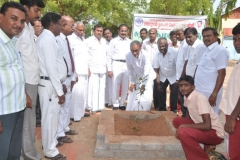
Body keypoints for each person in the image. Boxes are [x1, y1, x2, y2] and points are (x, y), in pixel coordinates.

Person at [15, 1, 45, 159]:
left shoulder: (27, 28)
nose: (38, 14)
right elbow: (16, 59)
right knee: (27, 122)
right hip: (25, 82)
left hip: (32, 80)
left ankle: (28, 153)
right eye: (36, 10)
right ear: (25, 8)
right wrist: (23, 90)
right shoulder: (19, 30)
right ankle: (28, 155)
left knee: (30, 120)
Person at [37, 12, 66, 159]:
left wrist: (61, 83)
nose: (61, 27)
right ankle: (50, 151)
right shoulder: (47, 40)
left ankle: (50, 144)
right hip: (49, 85)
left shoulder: (48, 38)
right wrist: (59, 91)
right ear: (52, 24)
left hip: (52, 83)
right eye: (60, 24)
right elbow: (51, 67)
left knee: (53, 119)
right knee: (49, 120)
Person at [173, 75, 224, 160]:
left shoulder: (199, 98)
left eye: (186, 85)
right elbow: (189, 110)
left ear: (193, 87)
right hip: (203, 127)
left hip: (215, 133)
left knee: (183, 132)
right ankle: (208, 145)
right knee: (176, 121)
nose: (183, 88)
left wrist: (185, 127)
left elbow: (207, 125)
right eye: (181, 85)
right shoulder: (187, 96)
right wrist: (186, 125)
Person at [0, 2, 26, 160]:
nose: (19, 24)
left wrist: (24, 94)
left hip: (17, 107)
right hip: (3, 112)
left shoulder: (11, 43)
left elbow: (14, 72)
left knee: (13, 153)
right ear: (1, 17)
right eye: (14, 19)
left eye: (22, 21)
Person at [195, 27, 229, 116]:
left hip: (210, 92)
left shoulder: (220, 51)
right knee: (201, 117)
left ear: (216, 36)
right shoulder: (206, 50)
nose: (206, 38)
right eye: (204, 36)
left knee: (212, 118)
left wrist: (214, 94)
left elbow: (222, 74)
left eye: (209, 36)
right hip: (200, 90)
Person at [56, 15, 78, 145]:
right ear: (63, 25)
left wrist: (74, 75)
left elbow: (70, 58)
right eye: (71, 25)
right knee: (62, 107)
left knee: (67, 105)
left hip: (69, 77)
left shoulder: (66, 39)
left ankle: (64, 128)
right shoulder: (57, 40)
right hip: (62, 79)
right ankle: (59, 133)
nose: (73, 28)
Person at [219, 23, 240, 160]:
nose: (236, 43)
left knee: (235, 153)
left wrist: (232, 117)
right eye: (234, 39)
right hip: (233, 113)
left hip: (236, 116)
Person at [107, 24, 132, 110]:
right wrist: (109, 69)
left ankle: (122, 103)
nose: (123, 32)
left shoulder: (130, 41)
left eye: (125, 31)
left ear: (127, 32)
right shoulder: (113, 41)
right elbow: (109, 56)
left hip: (126, 65)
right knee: (115, 84)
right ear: (118, 31)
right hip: (116, 63)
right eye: (122, 31)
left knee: (125, 84)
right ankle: (115, 103)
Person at [68, 21, 90, 121]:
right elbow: (70, 56)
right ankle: (75, 116)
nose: (82, 32)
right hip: (76, 71)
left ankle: (81, 112)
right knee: (76, 94)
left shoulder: (83, 39)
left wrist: (88, 68)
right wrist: (74, 71)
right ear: (74, 29)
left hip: (84, 70)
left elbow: (86, 55)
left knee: (83, 93)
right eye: (79, 30)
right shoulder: (71, 39)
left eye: (83, 30)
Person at [126, 41, 155, 111]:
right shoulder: (128, 56)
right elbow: (130, 70)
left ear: (140, 48)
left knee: (145, 96)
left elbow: (146, 71)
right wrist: (132, 83)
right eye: (132, 51)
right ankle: (131, 111)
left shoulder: (146, 55)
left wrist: (143, 85)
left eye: (136, 51)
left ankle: (144, 113)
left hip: (148, 78)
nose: (134, 53)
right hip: (137, 77)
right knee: (133, 93)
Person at [153, 38, 178, 112]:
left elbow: (178, 66)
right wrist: (158, 84)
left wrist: (177, 79)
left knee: (174, 93)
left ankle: (173, 110)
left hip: (173, 76)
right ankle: (162, 109)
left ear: (167, 45)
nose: (162, 48)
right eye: (160, 46)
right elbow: (156, 71)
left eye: (163, 46)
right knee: (160, 91)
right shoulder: (156, 54)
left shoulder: (174, 52)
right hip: (162, 75)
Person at [86, 24, 107, 112]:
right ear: (94, 31)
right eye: (98, 30)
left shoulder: (104, 41)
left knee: (101, 88)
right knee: (92, 88)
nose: (99, 32)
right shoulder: (88, 41)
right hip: (93, 68)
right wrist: (87, 68)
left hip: (102, 68)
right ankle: (91, 107)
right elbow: (86, 55)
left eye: (101, 31)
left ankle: (100, 106)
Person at [174, 24, 190, 115]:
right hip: (180, 76)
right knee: (182, 99)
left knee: (184, 99)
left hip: (183, 77)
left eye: (179, 34)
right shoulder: (182, 44)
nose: (177, 36)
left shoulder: (186, 45)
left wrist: (181, 78)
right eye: (176, 34)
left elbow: (186, 61)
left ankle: (185, 118)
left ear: (184, 33)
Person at [142, 28, 158, 110]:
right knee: (147, 85)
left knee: (156, 86)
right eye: (150, 33)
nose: (151, 35)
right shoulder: (144, 43)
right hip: (147, 68)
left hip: (157, 68)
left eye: (153, 33)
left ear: (156, 34)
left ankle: (156, 104)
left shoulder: (159, 43)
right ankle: (146, 103)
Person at [103, 28, 113, 107]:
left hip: (115, 65)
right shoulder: (103, 43)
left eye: (108, 33)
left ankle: (112, 101)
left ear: (111, 33)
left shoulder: (115, 42)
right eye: (105, 34)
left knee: (113, 84)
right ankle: (106, 101)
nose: (107, 35)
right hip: (105, 66)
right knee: (106, 85)